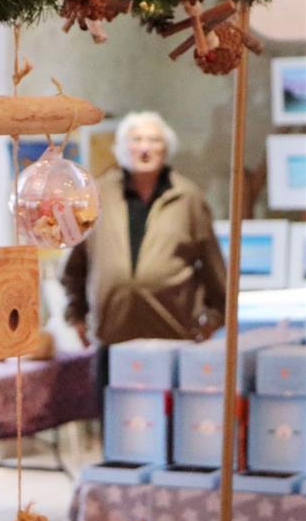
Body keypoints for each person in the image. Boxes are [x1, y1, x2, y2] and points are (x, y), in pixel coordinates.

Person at [61, 111, 227, 409]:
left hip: (173, 336)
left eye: (154, 140)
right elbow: (75, 265)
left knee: (167, 424)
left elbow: (215, 269)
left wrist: (214, 318)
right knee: (115, 426)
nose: (145, 147)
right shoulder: (97, 194)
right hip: (113, 337)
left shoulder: (188, 198)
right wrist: (76, 314)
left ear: (167, 149)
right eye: (136, 140)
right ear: (122, 147)